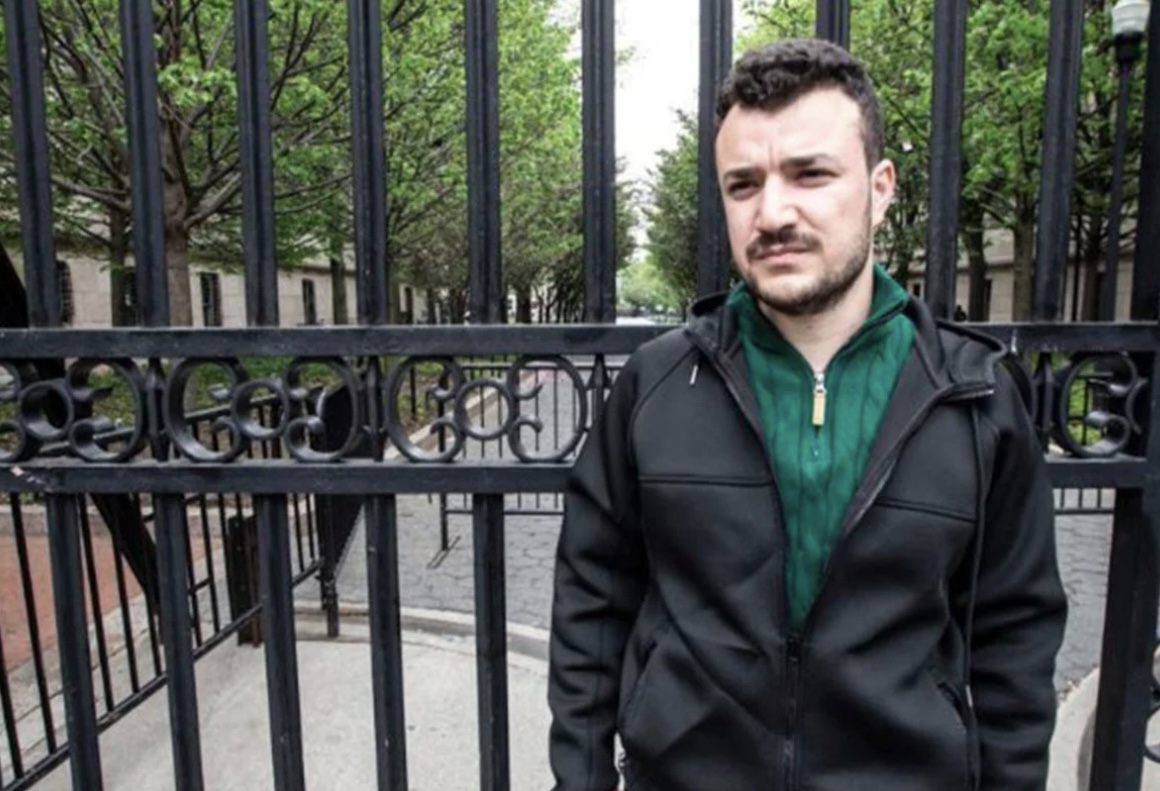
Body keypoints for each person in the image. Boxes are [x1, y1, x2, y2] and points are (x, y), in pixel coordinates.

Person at [548, 38, 1066, 791]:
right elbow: (592, 607)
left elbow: (1015, 637)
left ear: (880, 188)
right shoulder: (655, 386)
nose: (772, 212)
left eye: (810, 174)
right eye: (743, 184)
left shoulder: (975, 398)